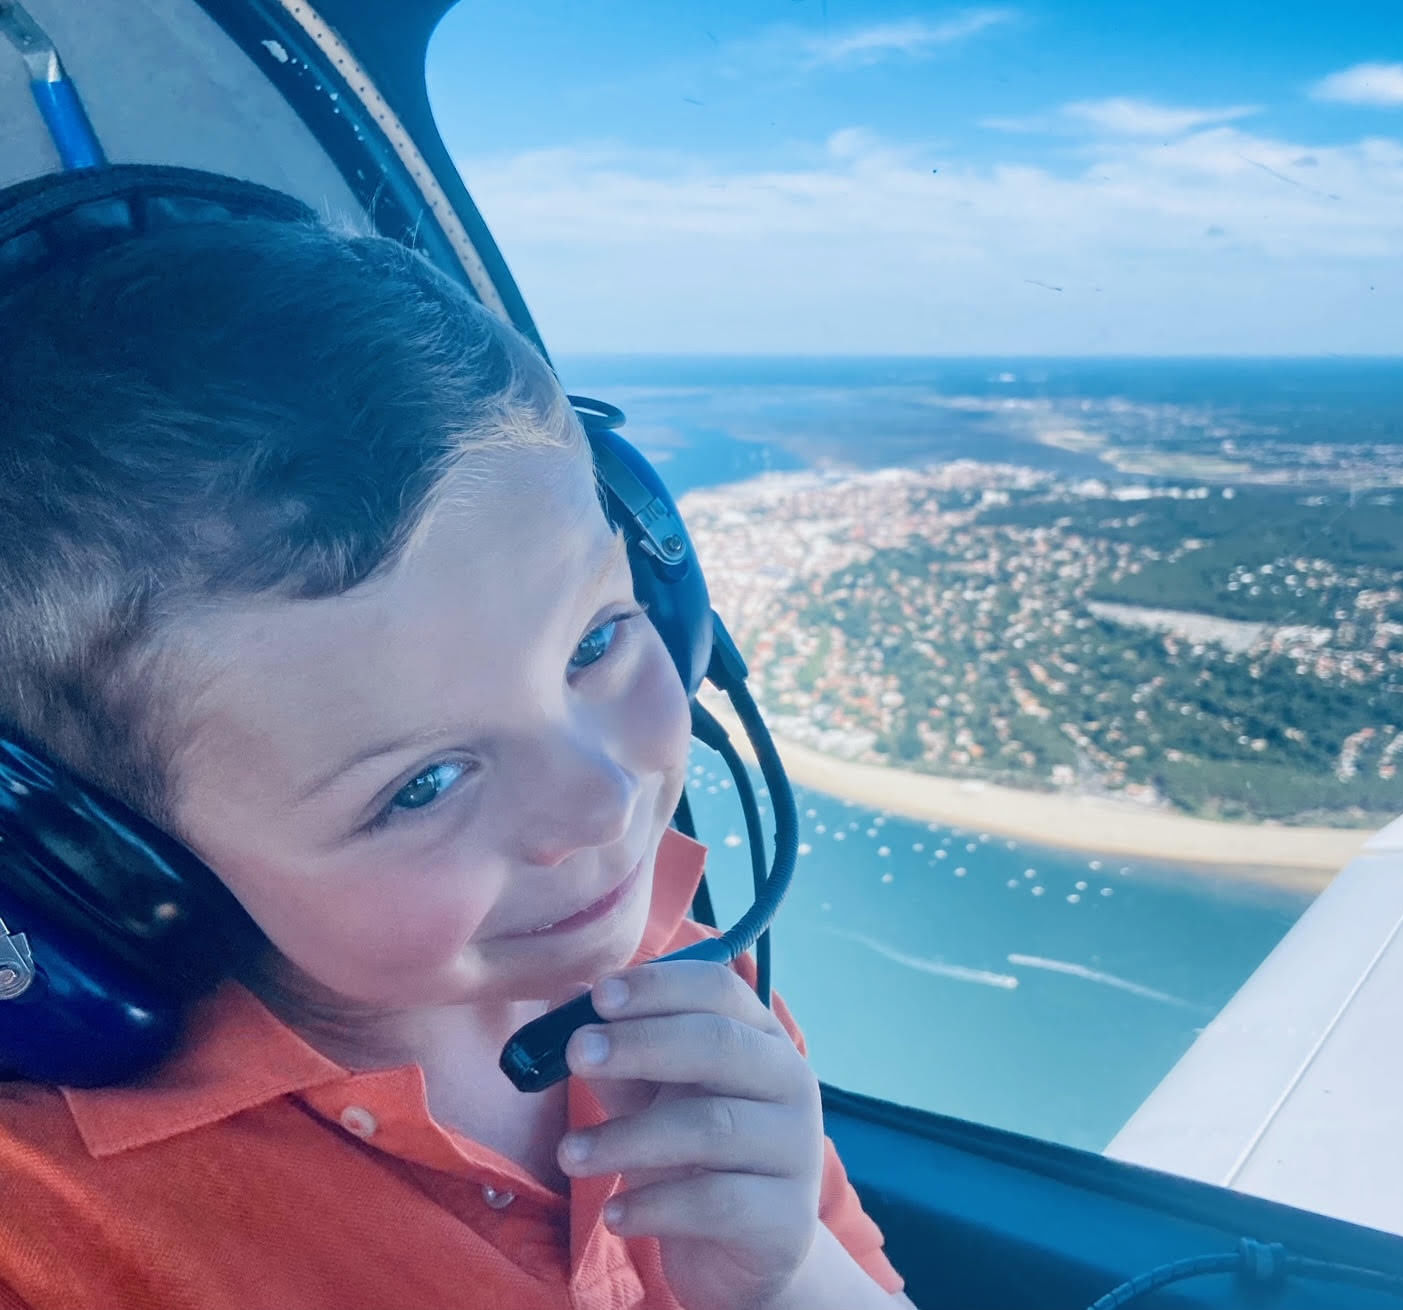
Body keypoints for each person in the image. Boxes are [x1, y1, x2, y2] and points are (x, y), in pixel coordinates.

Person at [0, 204, 910, 1310]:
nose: (601, 801)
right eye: (421, 783)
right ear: (106, 865)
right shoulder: (44, 1228)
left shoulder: (684, 973)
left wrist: (784, 1281)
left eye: (594, 641)